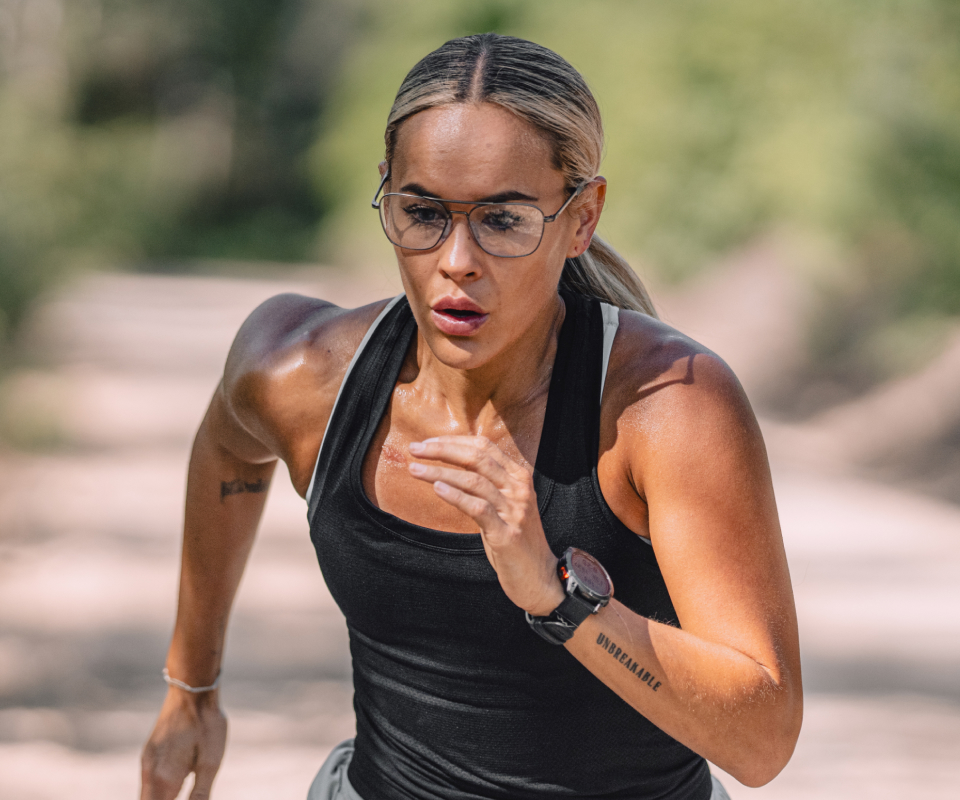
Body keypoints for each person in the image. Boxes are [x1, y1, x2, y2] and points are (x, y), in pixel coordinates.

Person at [140, 33, 802, 800]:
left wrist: (557, 596)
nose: (456, 259)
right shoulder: (302, 373)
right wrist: (190, 689)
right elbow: (228, 451)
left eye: (504, 219)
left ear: (581, 218)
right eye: (423, 211)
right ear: (386, 192)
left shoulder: (666, 407)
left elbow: (762, 741)